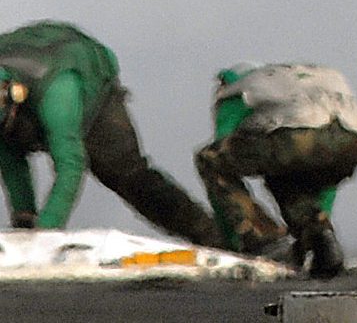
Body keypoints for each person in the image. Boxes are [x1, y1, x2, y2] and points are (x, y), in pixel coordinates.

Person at [0, 20, 221, 246]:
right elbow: (9, 161)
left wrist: (46, 232)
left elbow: (71, 165)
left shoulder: (58, 96)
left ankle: (211, 236)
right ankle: (25, 223)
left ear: (12, 93)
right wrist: (24, 225)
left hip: (87, 86)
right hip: (38, 84)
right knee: (7, 144)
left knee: (127, 174)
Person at [194, 63, 357, 277]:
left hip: (299, 134)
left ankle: (263, 239)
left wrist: (231, 237)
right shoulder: (301, 77)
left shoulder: (238, 88)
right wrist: (320, 222)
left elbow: (225, 145)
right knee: (283, 173)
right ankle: (319, 238)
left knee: (211, 159)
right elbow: (326, 186)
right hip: (354, 140)